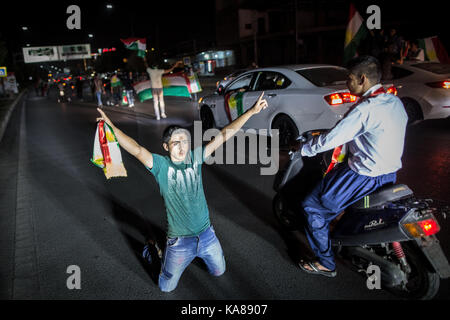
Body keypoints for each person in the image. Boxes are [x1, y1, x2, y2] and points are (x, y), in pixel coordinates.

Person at [96, 91, 269, 292]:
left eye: (184, 142)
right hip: (179, 243)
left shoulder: (195, 157)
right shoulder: (160, 165)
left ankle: (199, 253)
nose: (182, 147)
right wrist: (112, 129)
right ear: (166, 147)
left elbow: (224, 135)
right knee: (165, 288)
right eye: (176, 143)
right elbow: (136, 149)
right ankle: (153, 249)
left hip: (207, 236)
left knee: (219, 272)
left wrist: (251, 111)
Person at [297, 56, 408, 277]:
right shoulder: (393, 101)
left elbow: (331, 140)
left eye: (349, 78)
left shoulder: (365, 109)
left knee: (313, 207)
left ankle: (325, 263)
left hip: (361, 176)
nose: (347, 83)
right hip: (389, 175)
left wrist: (302, 149)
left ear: (362, 79)